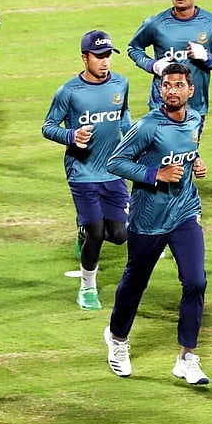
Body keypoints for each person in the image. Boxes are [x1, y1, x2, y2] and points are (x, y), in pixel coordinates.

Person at [103, 63, 211, 386]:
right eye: (167, 86)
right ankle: (117, 339)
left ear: (190, 91)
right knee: (136, 282)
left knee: (196, 281)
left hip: (184, 212)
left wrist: (196, 161)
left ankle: (186, 358)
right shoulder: (148, 126)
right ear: (160, 90)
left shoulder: (195, 120)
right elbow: (116, 162)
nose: (172, 91)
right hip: (148, 219)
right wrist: (155, 175)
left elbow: (187, 149)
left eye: (179, 85)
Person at [41, 30, 132, 310]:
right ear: (84, 58)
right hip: (82, 173)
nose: (105, 62)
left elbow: (124, 117)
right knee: (96, 232)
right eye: (99, 56)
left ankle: (82, 231)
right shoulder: (68, 92)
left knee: (118, 235)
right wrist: (71, 136)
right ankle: (87, 288)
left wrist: (135, 145)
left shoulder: (121, 84)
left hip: (113, 170)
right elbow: (48, 127)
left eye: (108, 56)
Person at [126, 0, 212, 124]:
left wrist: (207, 57)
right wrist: (153, 65)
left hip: (195, 106)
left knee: (188, 149)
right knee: (161, 148)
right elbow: (134, 48)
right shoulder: (156, 23)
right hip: (161, 105)